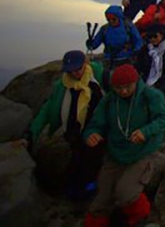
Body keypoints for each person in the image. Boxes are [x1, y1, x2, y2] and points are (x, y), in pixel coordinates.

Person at [83, 64, 165, 227]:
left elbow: (164, 119)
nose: (123, 91)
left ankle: (141, 218)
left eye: (127, 87)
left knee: (125, 192)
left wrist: (145, 131)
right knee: (102, 197)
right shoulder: (109, 100)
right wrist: (91, 134)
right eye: (118, 88)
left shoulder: (151, 96)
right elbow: (96, 124)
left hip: (142, 152)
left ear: (136, 82)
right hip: (115, 153)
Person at [19, 51, 105, 201]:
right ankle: (77, 193)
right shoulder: (62, 86)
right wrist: (30, 134)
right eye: (71, 70)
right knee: (77, 163)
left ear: (85, 64)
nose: (75, 73)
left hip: (96, 133)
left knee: (90, 164)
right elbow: (46, 111)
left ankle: (89, 193)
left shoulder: (99, 78)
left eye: (78, 68)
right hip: (74, 134)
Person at [87, 5, 144, 89]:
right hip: (109, 61)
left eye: (113, 19)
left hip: (126, 59)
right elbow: (94, 45)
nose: (111, 21)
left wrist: (136, 50)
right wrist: (90, 43)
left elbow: (138, 40)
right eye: (108, 19)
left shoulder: (128, 27)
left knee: (125, 83)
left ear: (119, 17)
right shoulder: (105, 29)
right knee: (109, 83)